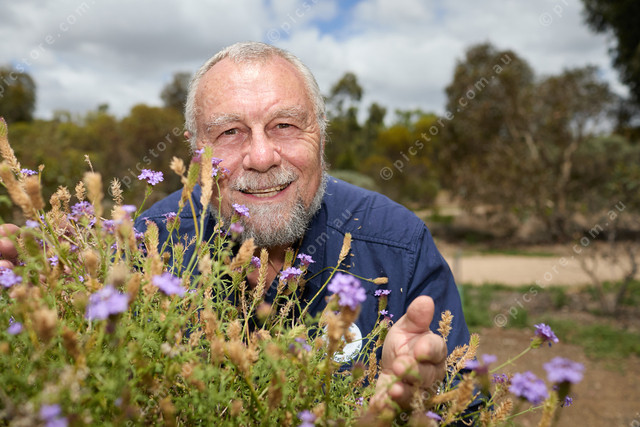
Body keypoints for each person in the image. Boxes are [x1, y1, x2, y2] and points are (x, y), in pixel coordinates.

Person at [134, 41, 471, 409]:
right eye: (229, 132)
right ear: (196, 150)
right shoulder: (145, 249)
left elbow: (468, 409)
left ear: (322, 135)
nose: (261, 157)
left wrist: (417, 400)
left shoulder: (398, 244)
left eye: (284, 125)